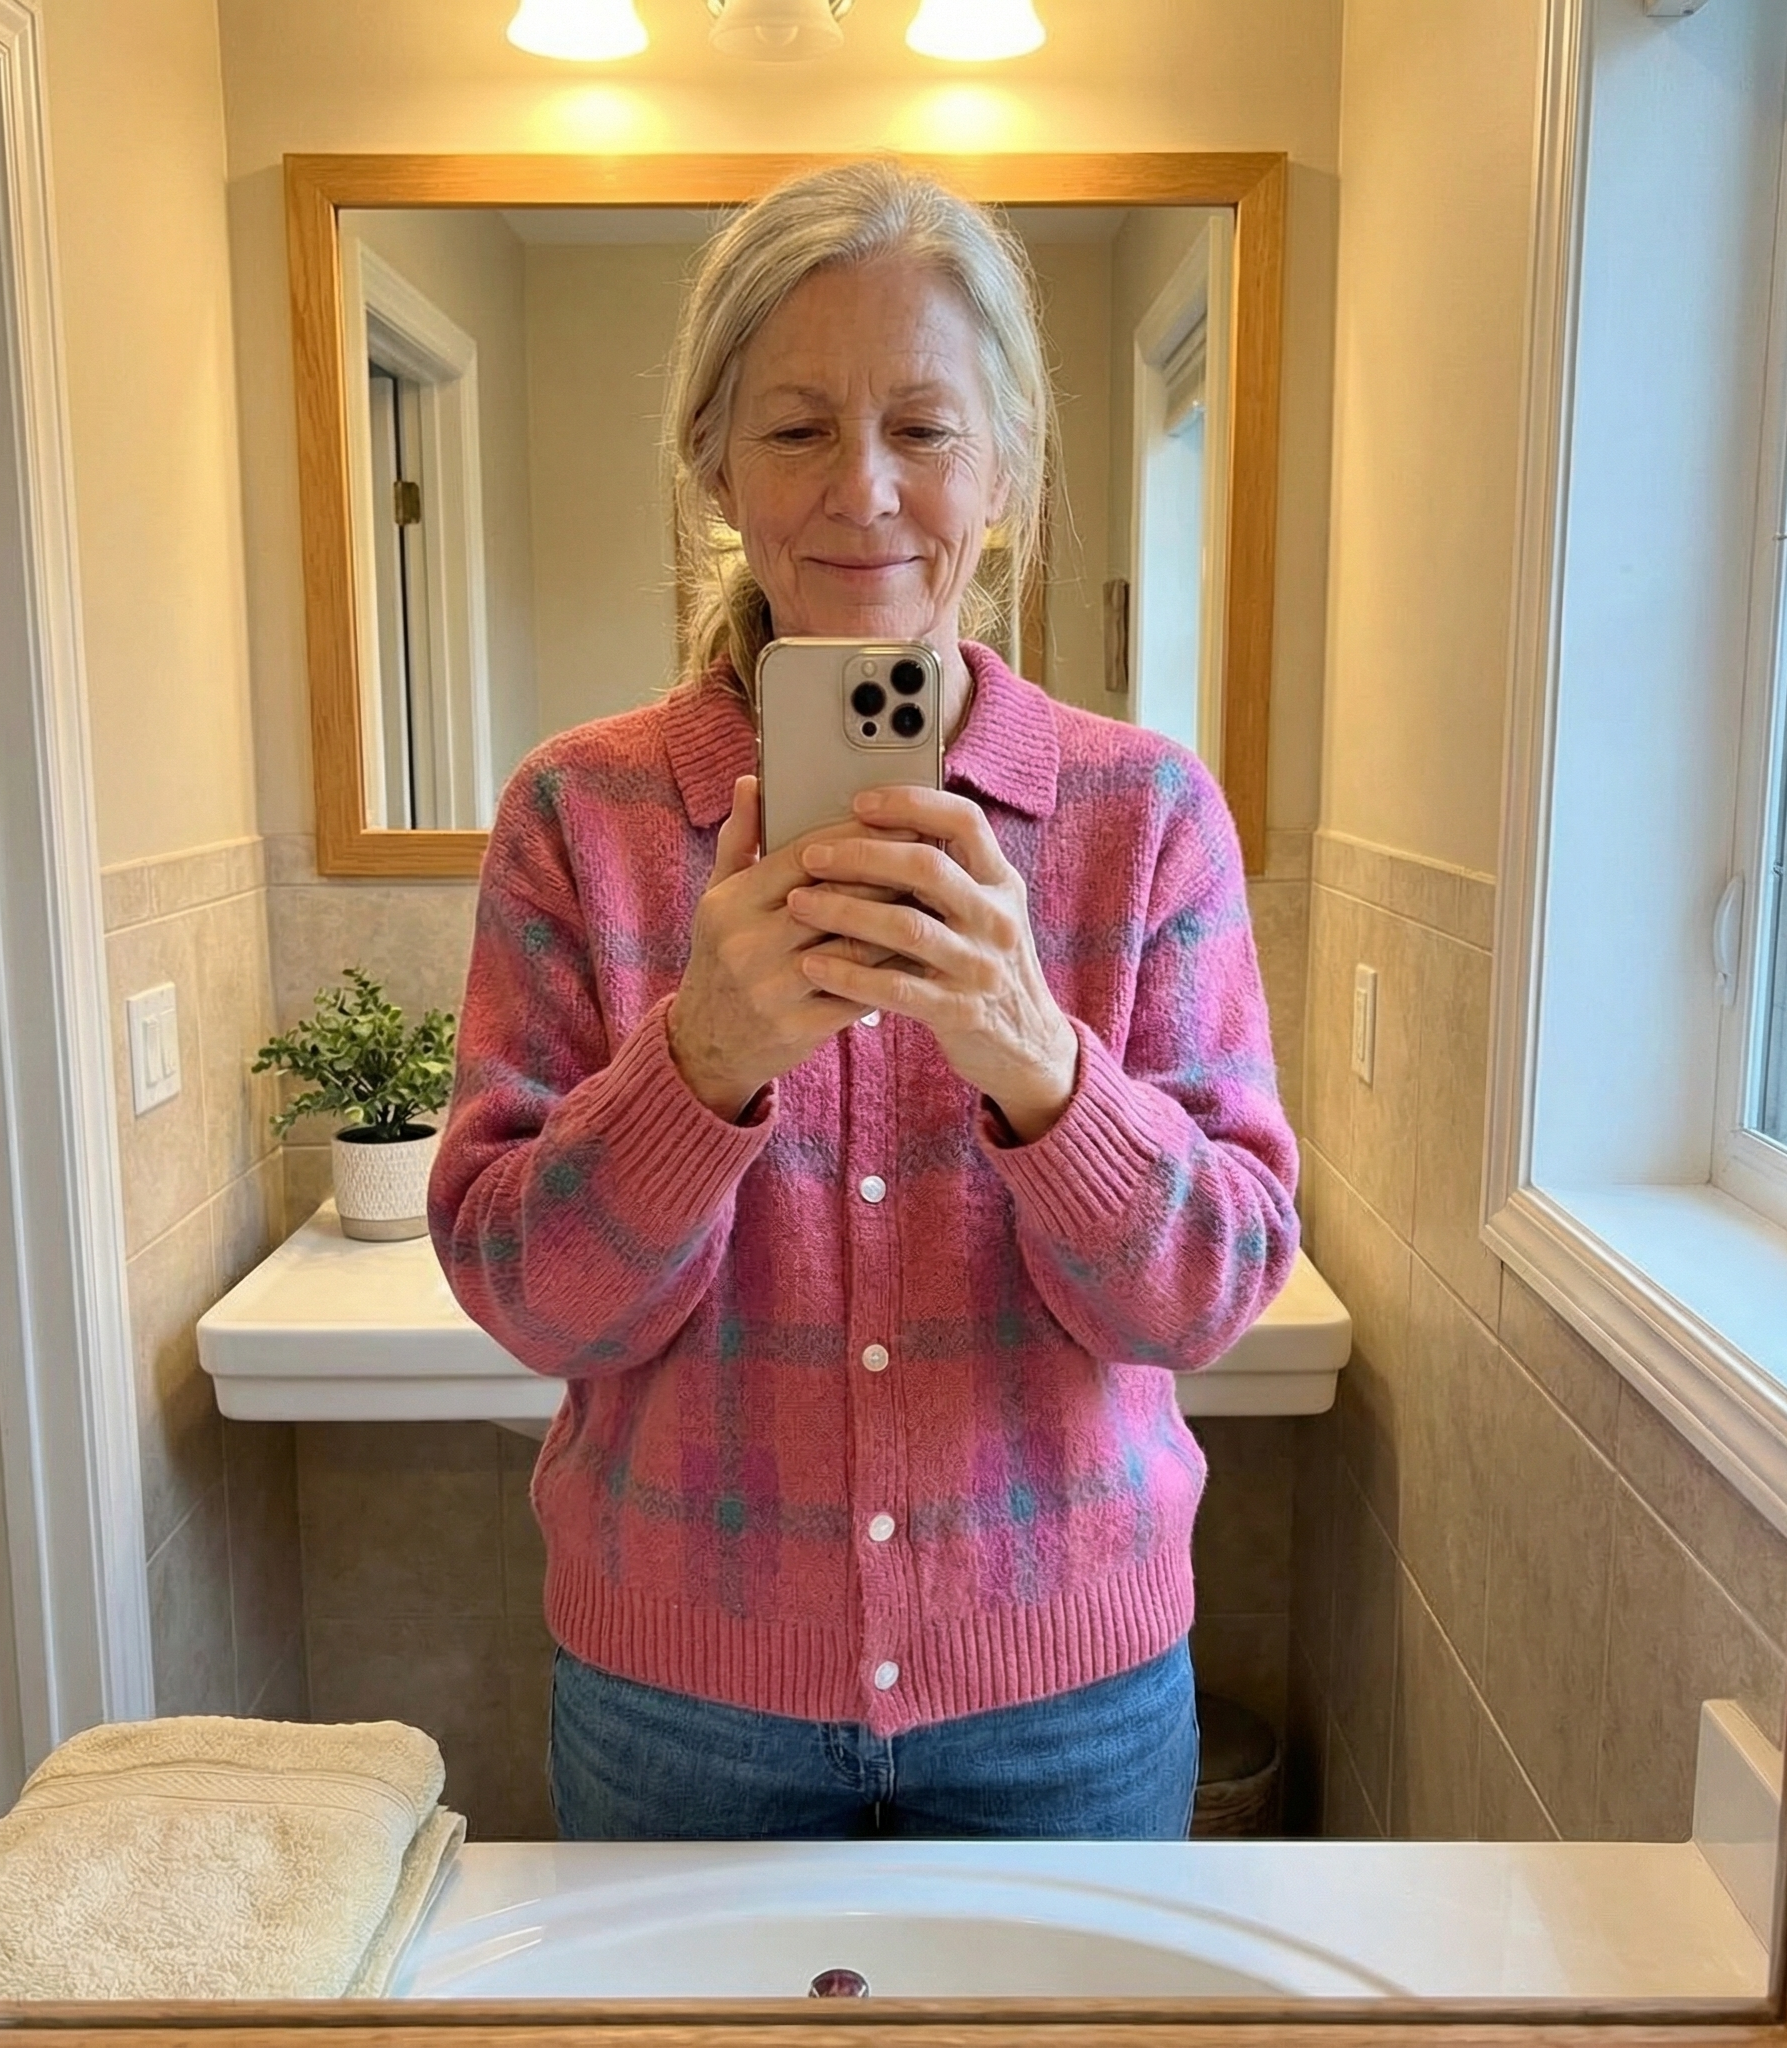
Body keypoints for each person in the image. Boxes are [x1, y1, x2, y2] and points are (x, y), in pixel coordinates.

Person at [428, 160, 1300, 1841]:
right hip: (681, 1709)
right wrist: (698, 1066)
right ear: (716, 463)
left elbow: (1212, 1296)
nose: (866, 491)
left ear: (1008, 466)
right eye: (798, 427)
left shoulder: (1146, 817)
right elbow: (526, 1302)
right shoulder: (578, 818)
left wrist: (1037, 1063)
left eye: (924, 427)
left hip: (1068, 1701)